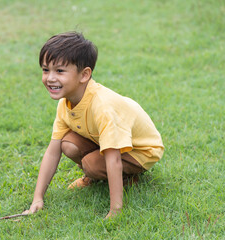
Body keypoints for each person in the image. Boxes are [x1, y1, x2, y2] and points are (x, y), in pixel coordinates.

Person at [22, 32, 164, 219]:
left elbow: (112, 159)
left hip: (141, 150)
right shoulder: (65, 103)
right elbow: (52, 151)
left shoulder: (103, 106)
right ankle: (96, 176)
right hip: (106, 141)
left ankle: (128, 177)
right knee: (67, 144)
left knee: (91, 164)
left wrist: (115, 211)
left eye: (60, 71)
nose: (50, 78)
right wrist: (37, 198)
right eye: (45, 70)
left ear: (84, 75)